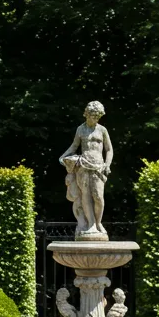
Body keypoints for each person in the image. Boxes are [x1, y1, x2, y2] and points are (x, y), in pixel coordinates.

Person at [59, 100, 113, 238]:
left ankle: (99, 223)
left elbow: (109, 149)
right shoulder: (80, 129)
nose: (95, 119)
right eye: (93, 116)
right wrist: (63, 156)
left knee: (98, 196)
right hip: (83, 165)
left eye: (98, 117)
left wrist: (107, 164)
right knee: (86, 195)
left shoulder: (102, 130)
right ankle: (91, 225)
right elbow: (74, 146)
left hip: (99, 167)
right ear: (87, 114)